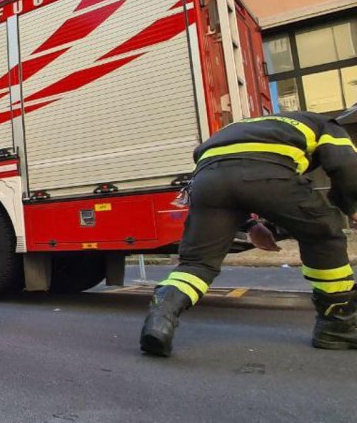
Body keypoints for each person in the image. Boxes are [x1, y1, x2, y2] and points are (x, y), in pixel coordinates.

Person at [140, 108, 357, 356]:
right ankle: (337, 326)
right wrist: (351, 206)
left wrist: (251, 226)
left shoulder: (246, 127)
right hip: (266, 173)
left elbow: (233, 175)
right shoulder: (327, 125)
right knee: (323, 233)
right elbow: (347, 166)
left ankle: (161, 319)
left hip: (207, 179)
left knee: (197, 263)